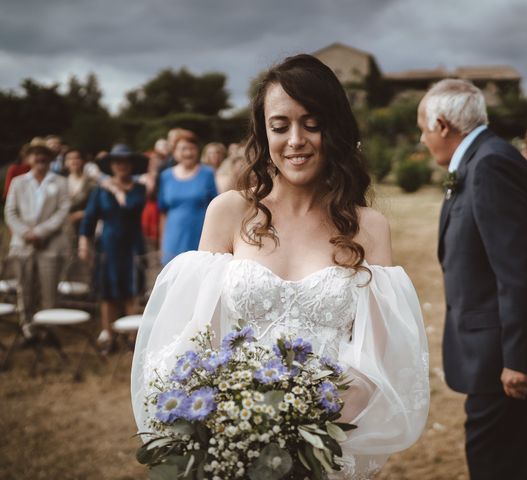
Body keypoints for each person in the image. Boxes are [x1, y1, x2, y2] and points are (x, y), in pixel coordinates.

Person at [132, 54, 430, 479]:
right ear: (262, 131)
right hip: (234, 445)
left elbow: (373, 361)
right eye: (280, 125)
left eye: (312, 123)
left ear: (336, 128)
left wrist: (299, 437)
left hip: (324, 450)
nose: (296, 140)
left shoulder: (368, 230)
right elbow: (197, 339)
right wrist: (236, 435)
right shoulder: (229, 213)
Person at [417, 79, 527, 480]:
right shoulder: (482, 160)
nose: (421, 139)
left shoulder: (489, 164)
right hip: (494, 355)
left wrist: (518, 360)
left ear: (441, 124)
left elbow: (520, 269)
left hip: (507, 363)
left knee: (499, 467)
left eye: (422, 128)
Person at [78, 144, 148, 352]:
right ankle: (108, 335)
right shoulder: (100, 190)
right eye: (117, 161)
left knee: (131, 291)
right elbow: (89, 218)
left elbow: (131, 207)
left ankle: (131, 335)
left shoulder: (139, 189)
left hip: (132, 244)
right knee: (107, 292)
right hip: (107, 245)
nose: (121, 165)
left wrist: (117, 190)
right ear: (111, 165)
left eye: (125, 161)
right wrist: (83, 241)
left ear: (131, 165)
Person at [4, 145, 71, 338]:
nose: (39, 162)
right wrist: (26, 233)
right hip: (23, 244)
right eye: (35, 157)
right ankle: (28, 329)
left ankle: (50, 329)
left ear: (49, 160)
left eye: (43, 158)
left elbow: (62, 211)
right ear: (28, 159)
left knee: (49, 288)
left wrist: (40, 233)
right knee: (24, 288)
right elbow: (10, 211)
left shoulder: (60, 182)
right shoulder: (18, 182)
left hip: (49, 243)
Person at [157, 131, 218, 264]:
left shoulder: (207, 173)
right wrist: (162, 243)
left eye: (192, 148)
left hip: (200, 238)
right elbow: (163, 213)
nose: (188, 153)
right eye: (184, 149)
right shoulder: (165, 176)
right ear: (175, 152)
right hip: (172, 240)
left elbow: (216, 208)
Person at [63, 149, 97, 247]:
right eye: (69, 158)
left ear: (83, 161)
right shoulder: (60, 182)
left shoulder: (92, 183)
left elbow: (97, 206)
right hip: (65, 228)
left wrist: (81, 214)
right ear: (65, 162)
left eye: (77, 158)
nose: (73, 161)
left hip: (86, 226)